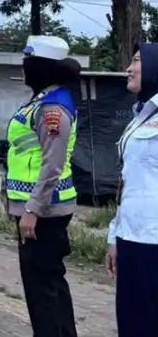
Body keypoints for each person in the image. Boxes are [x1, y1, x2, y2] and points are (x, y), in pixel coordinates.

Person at [6, 36, 81, 337]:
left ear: (40, 68)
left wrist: (32, 211)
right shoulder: (42, 101)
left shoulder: (53, 108)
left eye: (27, 64)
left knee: (43, 290)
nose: (23, 70)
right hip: (38, 209)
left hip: (45, 212)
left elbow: (51, 165)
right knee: (46, 285)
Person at [106, 43, 158, 336]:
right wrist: (115, 236)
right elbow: (127, 183)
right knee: (132, 322)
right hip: (132, 238)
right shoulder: (141, 115)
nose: (128, 67)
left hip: (155, 242)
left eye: (136, 60)